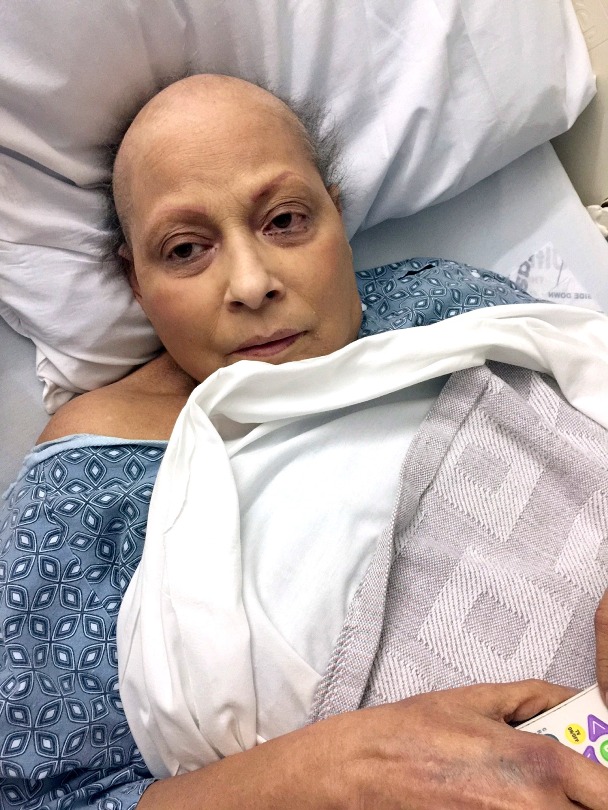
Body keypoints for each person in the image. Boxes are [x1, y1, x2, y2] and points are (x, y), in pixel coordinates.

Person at [1, 74, 607, 810]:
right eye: (186, 249)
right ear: (136, 280)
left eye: (285, 220)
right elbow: (47, 795)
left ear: (336, 213)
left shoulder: (441, 302)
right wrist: (335, 769)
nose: (251, 282)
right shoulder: (88, 476)